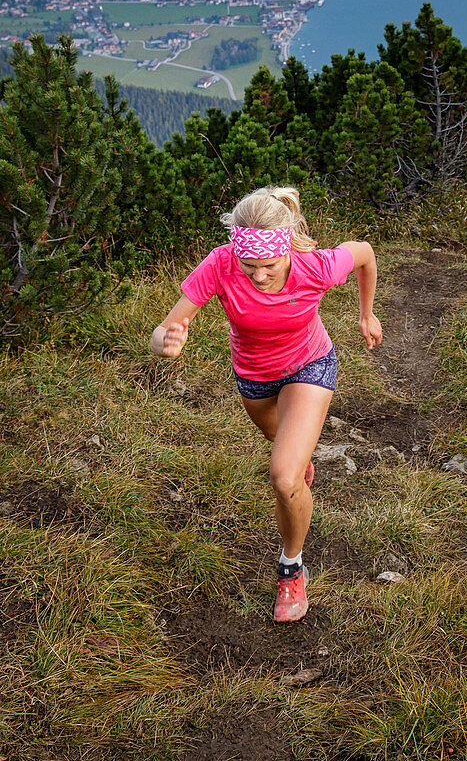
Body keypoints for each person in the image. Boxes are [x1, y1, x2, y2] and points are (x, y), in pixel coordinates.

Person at [150, 186, 382, 623]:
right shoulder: (220, 264)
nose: (258, 276)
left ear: (286, 251)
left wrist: (366, 313)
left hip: (309, 364)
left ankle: (291, 568)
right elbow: (166, 327)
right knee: (283, 445)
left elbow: (365, 252)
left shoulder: (316, 266)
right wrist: (166, 342)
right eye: (249, 266)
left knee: (283, 476)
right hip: (254, 378)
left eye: (269, 266)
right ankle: (296, 457)